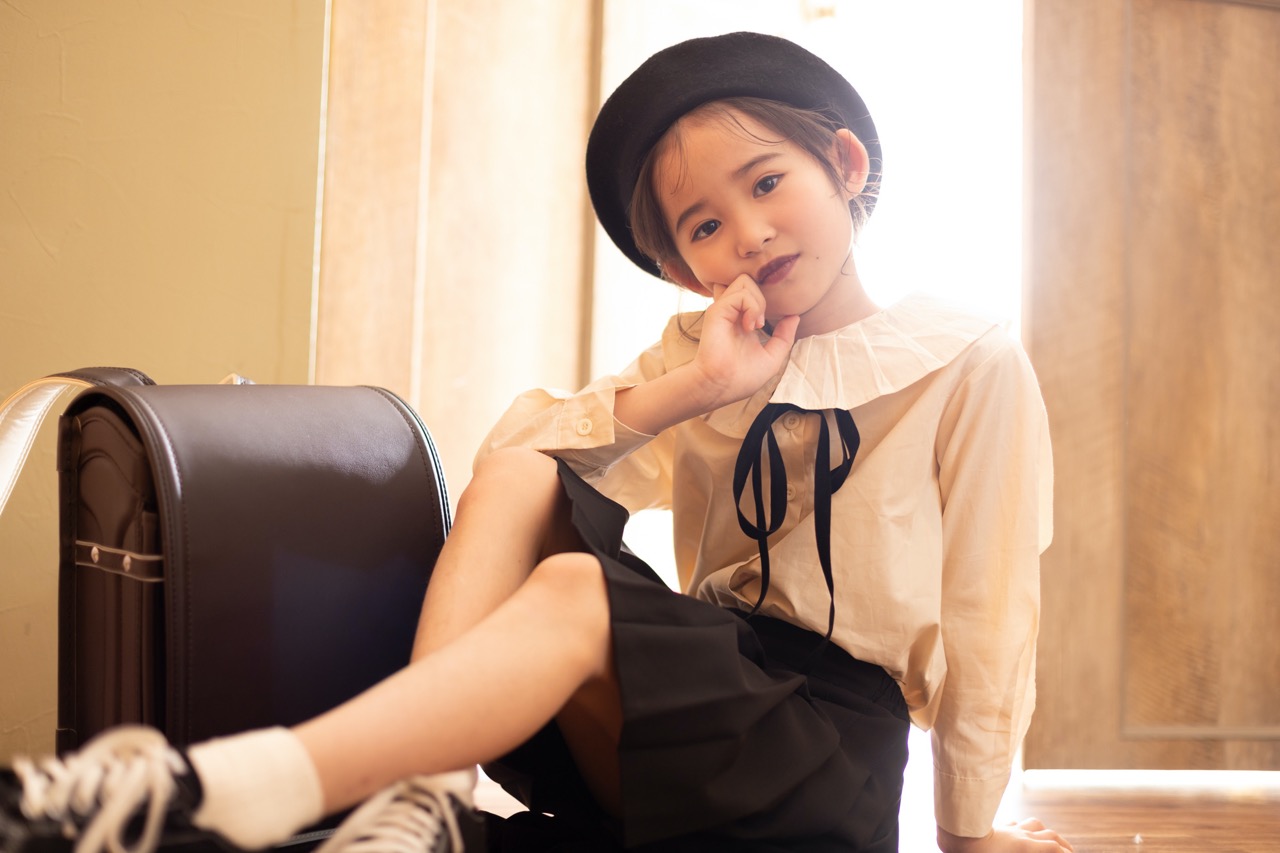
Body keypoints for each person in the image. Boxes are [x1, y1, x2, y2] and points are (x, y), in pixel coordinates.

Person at [1, 32, 1072, 853]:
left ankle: (221, 785)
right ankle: (421, 797)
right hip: (698, 710)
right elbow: (518, 454)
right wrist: (702, 387)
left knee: (569, 587)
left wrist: (968, 830)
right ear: (683, 269)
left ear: (842, 163)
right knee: (527, 470)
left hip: (826, 754)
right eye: (703, 226)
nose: (748, 233)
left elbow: (991, 613)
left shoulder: (965, 359)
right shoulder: (702, 354)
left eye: (765, 182)